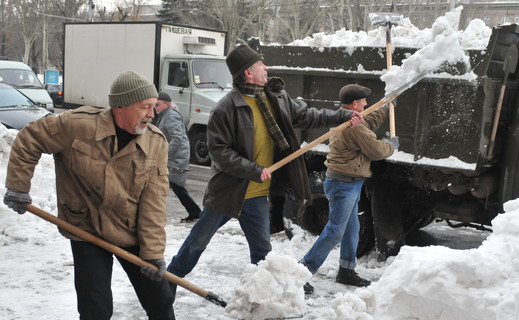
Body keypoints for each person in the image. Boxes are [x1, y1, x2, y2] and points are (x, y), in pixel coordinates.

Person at [167, 45, 363, 290]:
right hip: (228, 193)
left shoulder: (276, 98)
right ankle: (169, 280)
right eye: (261, 64)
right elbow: (219, 152)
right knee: (197, 242)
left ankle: (269, 294)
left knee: (262, 252)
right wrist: (253, 169)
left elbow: (308, 116)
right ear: (248, 72)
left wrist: (342, 116)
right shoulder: (225, 108)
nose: (266, 67)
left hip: (257, 195)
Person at [3, 70, 176, 320]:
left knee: (160, 299)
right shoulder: (78, 125)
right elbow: (30, 138)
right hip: (87, 228)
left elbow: (154, 201)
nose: (152, 114)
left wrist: (153, 252)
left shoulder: (155, 143)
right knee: (96, 307)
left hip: (131, 228)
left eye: (153, 106)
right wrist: (19, 186)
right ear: (120, 106)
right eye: (145, 107)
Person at [300, 84, 399, 294]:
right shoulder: (352, 126)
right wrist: (392, 145)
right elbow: (376, 149)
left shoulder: (351, 119)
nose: (366, 104)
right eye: (364, 101)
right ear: (355, 104)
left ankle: (346, 270)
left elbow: (368, 121)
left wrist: (384, 107)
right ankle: (300, 272)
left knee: (351, 229)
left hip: (351, 183)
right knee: (335, 231)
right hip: (343, 184)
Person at [154, 91, 202, 222]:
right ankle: (194, 212)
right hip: (175, 155)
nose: (155, 107)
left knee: (175, 185)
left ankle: (195, 212)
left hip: (176, 156)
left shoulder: (170, 116)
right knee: (172, 185)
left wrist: (164, 154)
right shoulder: (166, 115)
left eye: (157, 104)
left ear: (167, 104)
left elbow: (177, 138)